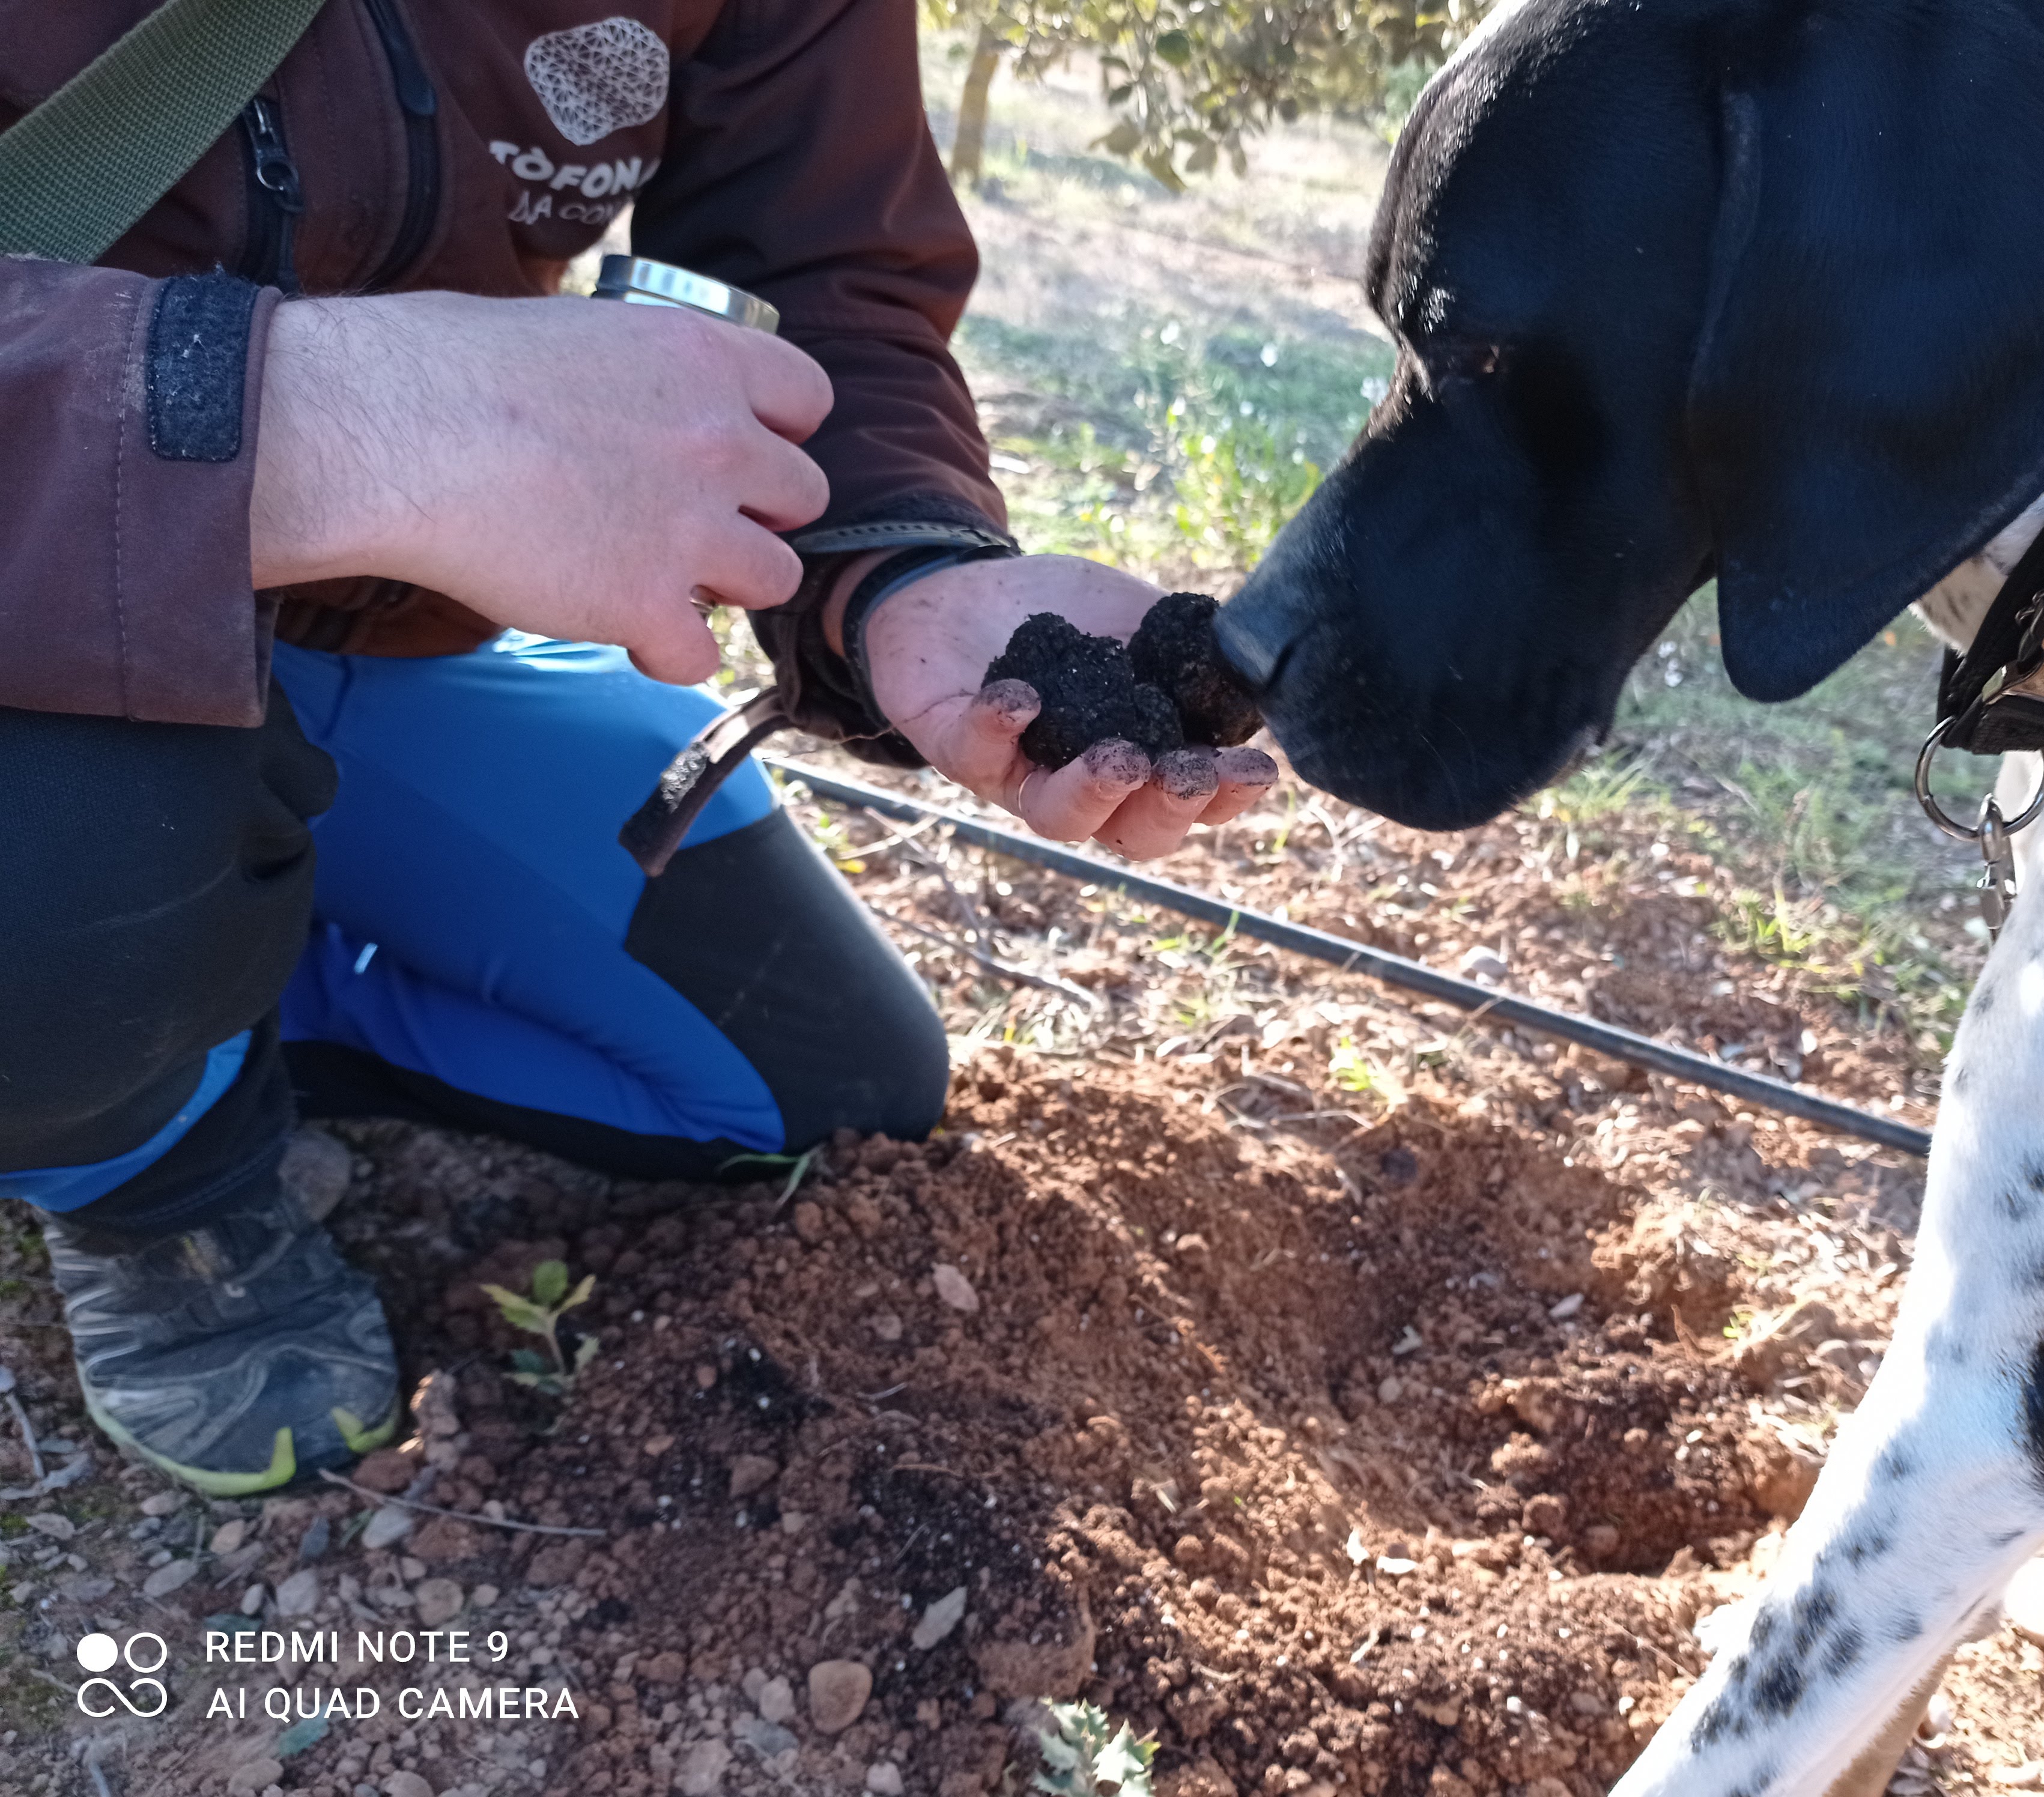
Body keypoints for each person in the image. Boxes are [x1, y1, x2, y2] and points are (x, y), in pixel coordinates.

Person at [0, 2, 1273, 1496]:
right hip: (37, 619)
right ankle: (147, 1170)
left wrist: (897, 564)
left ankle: (212, 1001)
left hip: (398, 639)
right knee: (62, 881)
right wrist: (297, 419)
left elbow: (810, 264)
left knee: (814, 1078)